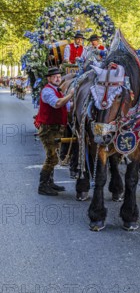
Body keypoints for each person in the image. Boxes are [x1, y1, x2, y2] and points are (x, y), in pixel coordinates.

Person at [36, 67, 74, 196]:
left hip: (56, 128)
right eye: (55, 77)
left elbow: (67, 107)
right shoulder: (47, 91)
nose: (58, 78)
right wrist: (70, 95)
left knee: (53, 156)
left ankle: (49, 183)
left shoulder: (57, 91)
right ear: (49, 79)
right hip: (48, 129)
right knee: (52, 158)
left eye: (59, 76)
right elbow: (57, 104)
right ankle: (42, 185)